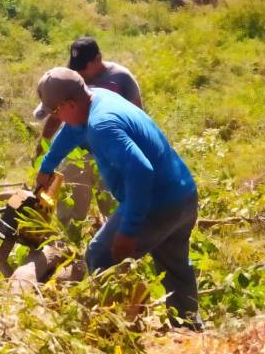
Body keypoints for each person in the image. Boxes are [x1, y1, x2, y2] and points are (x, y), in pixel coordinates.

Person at [33, 67, 202, 329]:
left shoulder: (102, 125)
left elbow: (141, 171)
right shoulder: (94, 98)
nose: (57, 118)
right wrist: (46, 167)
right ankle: (189, 330)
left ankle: (109, 331)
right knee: (174, 265)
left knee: (100, 255)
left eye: (55, 111)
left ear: (69, 104)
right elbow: (71, 132)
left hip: (157, 203)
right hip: (183, 195)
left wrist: (129, 229)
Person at [34, 37, 142, 224]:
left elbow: (137, 117)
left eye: (83, 66)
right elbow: (64, 124)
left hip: (112, 154)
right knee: (70, 210)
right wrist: (43, 151)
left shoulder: (121, 78)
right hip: (79, 152)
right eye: (75, 66)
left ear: (98, 59)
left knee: (113, 207)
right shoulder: (72, 79)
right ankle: (67, 244)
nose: (79, 71)